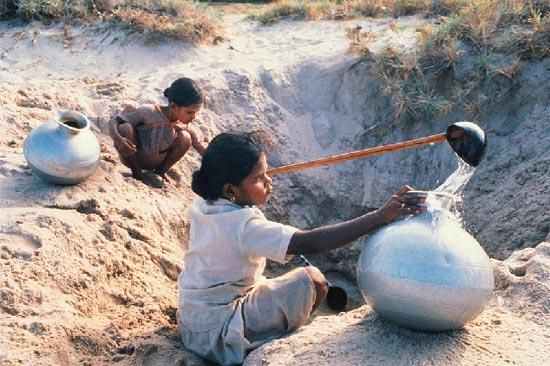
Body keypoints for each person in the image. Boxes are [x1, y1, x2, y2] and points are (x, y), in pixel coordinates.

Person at [177, 132, 420, 365]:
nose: (269, 181)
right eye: (259, 178)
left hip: (194, 321)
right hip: (219, 335)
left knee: (276, 283)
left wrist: (254, 179)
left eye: (267, 172)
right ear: (230, 190)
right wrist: (379, 216)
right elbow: (308, 242)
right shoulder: (243, 226)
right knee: (313, 281)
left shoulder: (205, 204)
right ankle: (271, 345)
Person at [109, 77, 206, 188]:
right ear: (174, 107)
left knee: (186, 138)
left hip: (156, 161)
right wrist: (118, 139)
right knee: (125, 128)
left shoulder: (183, 124)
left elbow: (201, 148)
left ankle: (158, 173)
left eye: (196, 112)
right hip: (134, 157)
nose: (194, 117)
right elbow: (113, 122)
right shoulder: (149, 112)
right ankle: (137, 174)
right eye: (190, 112)